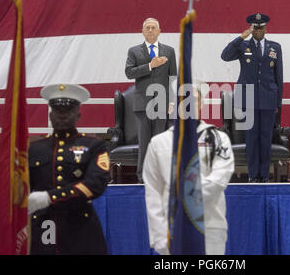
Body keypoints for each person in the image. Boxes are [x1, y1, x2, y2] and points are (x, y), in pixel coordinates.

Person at [143, 84, 235, 255]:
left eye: (193, 99)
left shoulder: (218, 139)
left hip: (210, 226)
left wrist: (182, 194)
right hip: (172, 229)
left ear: (202, 104)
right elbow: (153, 191)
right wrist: (160, 236)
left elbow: (219, 180)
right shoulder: (158, 143)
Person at [27, 83, 110, 254]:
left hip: (80, 229)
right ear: (50, 115)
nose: (62, 116)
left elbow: (94, 185)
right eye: (58, 111)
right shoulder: (34, 149)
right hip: (43, 227)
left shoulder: (94, 146)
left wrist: (49, 197)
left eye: (68, 111)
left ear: (78, 114)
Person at [221, 13, 283, 182]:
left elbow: (279, 77)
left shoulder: (274, 47)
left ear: (265, 28)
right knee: (251, 139)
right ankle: (253, 175)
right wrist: (241, 37)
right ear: (251, 28)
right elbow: (225, 56)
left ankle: (264, 175)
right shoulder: (243, 46)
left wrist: (278, 102)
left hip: (268, 100)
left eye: (261, 27)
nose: (258, 31)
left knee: (265, 139)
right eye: (255, 28)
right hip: (247, 99)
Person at [125, 18, 177, 183]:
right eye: (147, 28)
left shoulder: (169, 51)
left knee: (160, 143)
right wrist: (150, 66)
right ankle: (143, 178)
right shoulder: (134, 51)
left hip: (162, 104)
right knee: (145, 143)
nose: (150, 30)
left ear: (159, 31)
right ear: (142, 31)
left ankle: (160, 177)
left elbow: (172, 77)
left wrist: (171, 102)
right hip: (142, 105)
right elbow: (129, 73)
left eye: (153, 28)